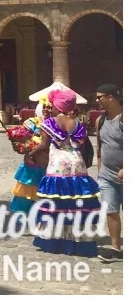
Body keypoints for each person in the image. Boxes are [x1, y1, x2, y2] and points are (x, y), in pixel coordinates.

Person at [31, 86, 100, 257]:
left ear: (58, 106)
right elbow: (82, 145)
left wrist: (31, 152)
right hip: (77, 165)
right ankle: (78, 242)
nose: (51, 107)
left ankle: (55, 241)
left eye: (53, 104)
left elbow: (44, 145)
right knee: (76, 204)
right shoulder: (78, 124)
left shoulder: (49, 123)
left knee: (57, 203)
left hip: (58, 164)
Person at [94, 83, 123, 260]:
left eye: (100, 97)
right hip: (107, 175)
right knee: (111, 210)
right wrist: (99, 167)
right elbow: (100, 146)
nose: (97, 101)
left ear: (111, 97)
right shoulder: (100, 120)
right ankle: (115, 248)